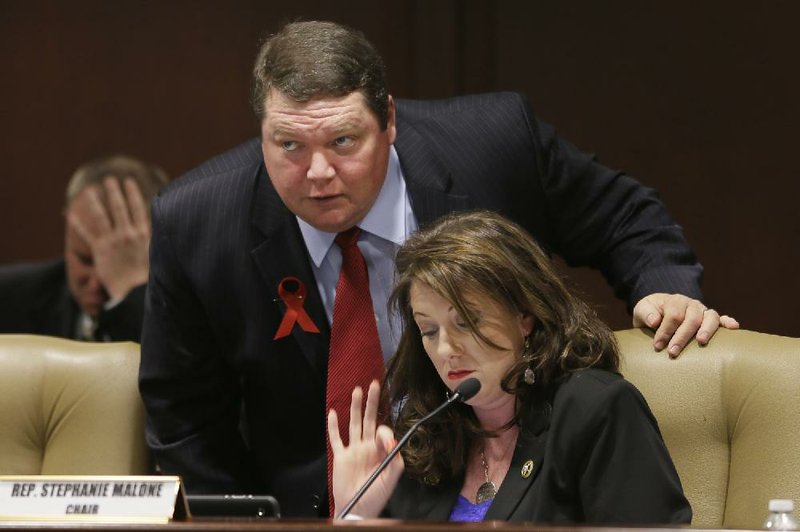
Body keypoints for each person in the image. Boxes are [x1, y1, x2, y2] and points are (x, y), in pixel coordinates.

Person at [138, 20, 735, 517]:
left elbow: (621, 214)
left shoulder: (493, 143)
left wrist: (665, 290)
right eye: (288, 146)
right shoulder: (198, 223)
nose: (317, 172)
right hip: (310, 509)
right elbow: (185, 424)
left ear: (389, 122)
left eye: (344, 142)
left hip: (507, 485)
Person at [328, 210, 692, 523]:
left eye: (466, 322)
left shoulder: (595, 411)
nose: (445, 349)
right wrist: (356, 516)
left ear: (526, 316)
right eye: (428, 330)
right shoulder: (427, 433)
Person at [0, 154, 168, 342]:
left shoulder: (192, 311)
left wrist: (131, 294)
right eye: (85, 260)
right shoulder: (10, 299)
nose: (96, 282)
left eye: (117, 263)